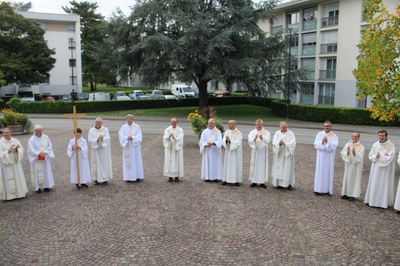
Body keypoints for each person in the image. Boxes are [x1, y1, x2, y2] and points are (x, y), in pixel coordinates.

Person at [364, 130, 396, 209]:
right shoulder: (375, 144)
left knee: (383, 184)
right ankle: (372, 201)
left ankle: (383, 203)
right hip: (376, 169)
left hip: (385, 169)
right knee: (374, 183)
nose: (381, 137)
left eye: (383, 136)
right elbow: (370, 155)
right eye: (380, 136)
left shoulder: (391, 145)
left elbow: (391, 157)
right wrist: (376, 156)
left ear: (386, 136)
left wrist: (381, 156)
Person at [0, 128, 28, 200]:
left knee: (17, 177)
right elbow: (0, 155)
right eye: (4, 133)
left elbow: (21, 149)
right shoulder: (1, 142)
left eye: (7, 132)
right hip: (6, 165)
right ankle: (9, 196)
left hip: (15, 164)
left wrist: (16, 150)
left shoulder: (15, 141)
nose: (6, 134)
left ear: (10, 133)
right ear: (2, 133)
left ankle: (19, 194)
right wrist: (8, 152)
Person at [27, 124, 55, 193]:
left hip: (44, 158)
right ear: (34, 131)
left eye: (39, 131)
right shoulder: (31, 139)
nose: (38, 132)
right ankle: (38, 187)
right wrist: (38, 153)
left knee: (46, 172)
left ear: (42, 130)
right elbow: (31, 149)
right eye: (37, 131)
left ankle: (46, 186)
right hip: (36, 159)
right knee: (37, 173)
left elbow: (49, 146)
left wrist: (45, 152)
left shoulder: (46, 137)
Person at [313, 121, 338, 195]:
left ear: (331, 126)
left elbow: (334, 146)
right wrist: (322, 142)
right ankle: (317, 189)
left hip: (328, 157)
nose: (327, 127)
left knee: (327, 173)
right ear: (324, 126)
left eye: (328, 126)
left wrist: (327, 142)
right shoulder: (319, 134)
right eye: (325, 126)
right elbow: (315, 144)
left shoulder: (334, 136)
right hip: (320, 156)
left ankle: (327, 190)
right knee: (319, 172)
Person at [340, 132, 365, 201]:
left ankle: (352, 195)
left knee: (354, 180)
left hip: (355, 167)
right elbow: (342, 153)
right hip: (348, 165)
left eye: (356, 137)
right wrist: (347, 152)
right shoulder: (348, 144)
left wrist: (354, 153)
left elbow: (360, 157)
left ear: (358, 137)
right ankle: (345, 193)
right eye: (353, 136)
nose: (354, 138)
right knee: (347, 179)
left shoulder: (361, 146)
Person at [119, 114, 144, 182]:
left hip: (135, 147)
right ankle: (128, 177)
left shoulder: (137, 127)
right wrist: (127, 138)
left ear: (133, 119)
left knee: (136, 160)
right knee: (128, 162)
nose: (129, 120)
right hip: (127, 146)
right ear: (126, 119)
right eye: (128, 119)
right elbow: (121, 136)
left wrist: (132, 138)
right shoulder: (123, 127)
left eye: (130, 119)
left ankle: (137, 176)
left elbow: (139, 137)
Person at [271, 121, 296, 190]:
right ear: (280, 127)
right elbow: (274, 142)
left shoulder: (291, 133)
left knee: (287, 169)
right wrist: (279, 143)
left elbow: (293, 143)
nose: (284, 128)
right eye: (283, 127)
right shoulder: (277, 133)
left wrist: (285, 143)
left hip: (287, 154)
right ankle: (279, 184)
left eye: (285, 127)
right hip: (279, 153)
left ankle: (288, 184)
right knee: (279, 168)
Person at [88, 117, 113, 185]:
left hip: (103, 150)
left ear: (102, 123)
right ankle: (96, 180)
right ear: (95, 122)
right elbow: (90, 139)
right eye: (97, 122)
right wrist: (97, 139)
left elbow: (108, 139)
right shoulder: (91, 130)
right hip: (95, 150)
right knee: (95, 164)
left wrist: (102, 139)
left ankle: (105, 179)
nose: (98, 123)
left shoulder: (105, 129)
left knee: (104, 164)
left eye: (99, 122)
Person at [248, 119, 270, 188]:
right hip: (255, 151)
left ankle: (262, 182)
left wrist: (262, 137)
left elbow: (268, 140)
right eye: (257, 124)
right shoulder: (252, 132)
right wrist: (254, 139)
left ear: (262, 125)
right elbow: (249, 141)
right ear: (255, 125)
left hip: (262, 152)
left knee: (262, 166)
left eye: (259, 124)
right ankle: (254, 181)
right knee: (254, 166)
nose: (258, 126)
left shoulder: (266, 132)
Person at [199, 118, 223, 182]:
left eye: (211, 123)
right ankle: (207, 177)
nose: (210, 124)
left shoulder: (217, 131)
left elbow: (220, 141)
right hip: (207, 150)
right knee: (207, 163)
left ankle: (215, 177)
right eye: (209, 123)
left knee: (215, 164)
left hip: (215, 151)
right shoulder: (204, 131)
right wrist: (205, 144)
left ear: (214, 123)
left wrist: (213, 143)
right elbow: (201, 141)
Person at [222, 120, 243, 186]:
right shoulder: (227, 132)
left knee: (235, 165)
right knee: (227, 165)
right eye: (228, 124)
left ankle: (236, 180)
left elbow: (238, 143)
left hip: (235, 153)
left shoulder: (238, 133)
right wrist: (226, 141)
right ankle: (226, 179)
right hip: (228, 152)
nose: (228, 125)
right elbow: (223, 141)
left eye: (230, 124)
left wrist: (230, 141)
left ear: (234, 125)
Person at [163, 117, 184, 182]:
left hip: (176, 148)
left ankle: (177, 176)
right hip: (170, 148)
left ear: (177, 122)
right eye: (172, 122)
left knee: (177, 161)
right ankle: (170, 176)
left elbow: (181, 138)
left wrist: (174, 137)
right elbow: (164, 138)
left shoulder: (180, 130)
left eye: (175, 122)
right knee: (169, 161)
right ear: (170, 122)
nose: (173, 123)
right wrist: (169, 136)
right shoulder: (167, 129)